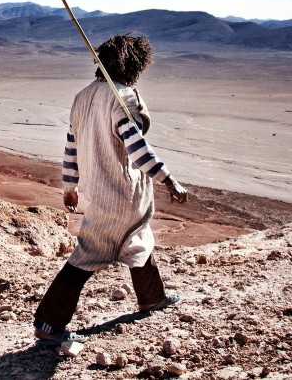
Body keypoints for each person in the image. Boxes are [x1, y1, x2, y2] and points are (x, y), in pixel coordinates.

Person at [33, 34, 188, 346]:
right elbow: (138, 148)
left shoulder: (82, 97)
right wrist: (168, 179)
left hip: (99, 191)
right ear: (133, 65)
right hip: (122, 194)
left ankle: (152, 298)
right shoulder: (123, 98)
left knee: (138, 241)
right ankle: (48, 323)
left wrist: (69, 186)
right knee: (89, 253)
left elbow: (71, 147)